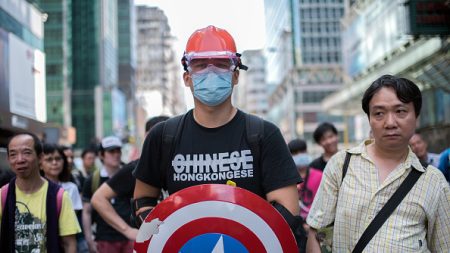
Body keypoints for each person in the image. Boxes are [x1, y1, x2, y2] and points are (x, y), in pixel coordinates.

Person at [132, 25, 303, 247]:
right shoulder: (162, 136)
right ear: (187, 78)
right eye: (200, 65)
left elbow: (287, 208)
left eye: (221, 64)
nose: (211, 72)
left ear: (235, 76)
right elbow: (142, 200)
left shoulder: (264, 134)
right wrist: (169, 234)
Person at [306, 75, 450, 252]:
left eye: (400, 111)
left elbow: (444, 246)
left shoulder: (434, 181)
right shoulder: (342, 165)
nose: (390, 123)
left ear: (416, 117)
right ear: (369, 119)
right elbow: (316, 233)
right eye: (379, 113)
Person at [91, 116, 169, 241]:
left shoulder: (186, 164)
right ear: (148, 137)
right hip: (147, 242)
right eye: (157, 134)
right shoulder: (137, 167)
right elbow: (98, 199)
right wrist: (127, 230)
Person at [0, 133, 81, 252]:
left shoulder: (59, 196)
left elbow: (69, 243)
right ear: (8, 160)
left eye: (27, 152)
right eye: (13, 154)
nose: (20, 159)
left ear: (40, 157)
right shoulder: (3, 195)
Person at [82, 136, 133, 253]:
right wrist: (89, 240)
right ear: (101, 155)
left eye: (118, 150)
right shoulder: (92, 180)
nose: (116, 154)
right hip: (105, 239)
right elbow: (87, 211)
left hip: (130, 237)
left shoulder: (130, 175)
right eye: (111, 151)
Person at [40, 143, 88, 253]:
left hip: (65, 241)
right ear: (40, 164)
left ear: (63, 162)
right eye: (49, 159)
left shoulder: (71, 188)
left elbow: (71, 219)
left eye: (58, 159)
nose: (54, 163)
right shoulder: (35, 189)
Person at [288, 139, 323, 222]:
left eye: (302, 151)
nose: (299, 155)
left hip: (315, 222)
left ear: (307, 151)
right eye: (295, 153)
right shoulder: (287, 179)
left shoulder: (320, 176)